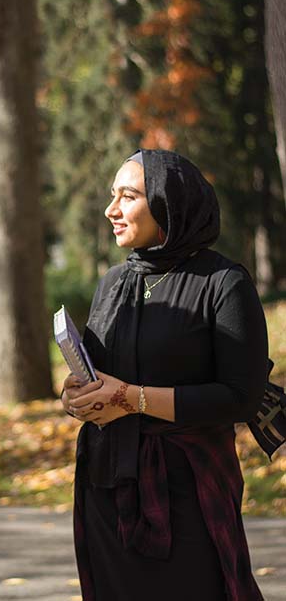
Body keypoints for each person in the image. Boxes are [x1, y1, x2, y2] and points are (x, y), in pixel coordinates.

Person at [61, 149, 268, 601]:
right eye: (111, 195)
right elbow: (101, 377)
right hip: (106, 481)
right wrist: (75, 395)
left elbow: (240, 397)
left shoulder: (223, 283)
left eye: (128, 196)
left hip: (186, 491)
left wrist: (132, 399)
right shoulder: (113, 282)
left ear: (169, 204)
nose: (111, 210)